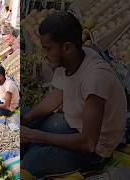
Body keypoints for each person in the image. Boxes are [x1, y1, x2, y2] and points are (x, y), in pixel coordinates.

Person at [21, 12, 127, 178]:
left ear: (67, 48)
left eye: (47, 48)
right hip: (74, 124)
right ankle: (33, 142)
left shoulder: (95, 78)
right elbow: (57, 96)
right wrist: (27, 120)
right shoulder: (72, 59)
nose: (43, 53)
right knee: (24, 115)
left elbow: (89, 143)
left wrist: (38, 136)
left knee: (30, 163)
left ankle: (35, 148)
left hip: (95, 148)